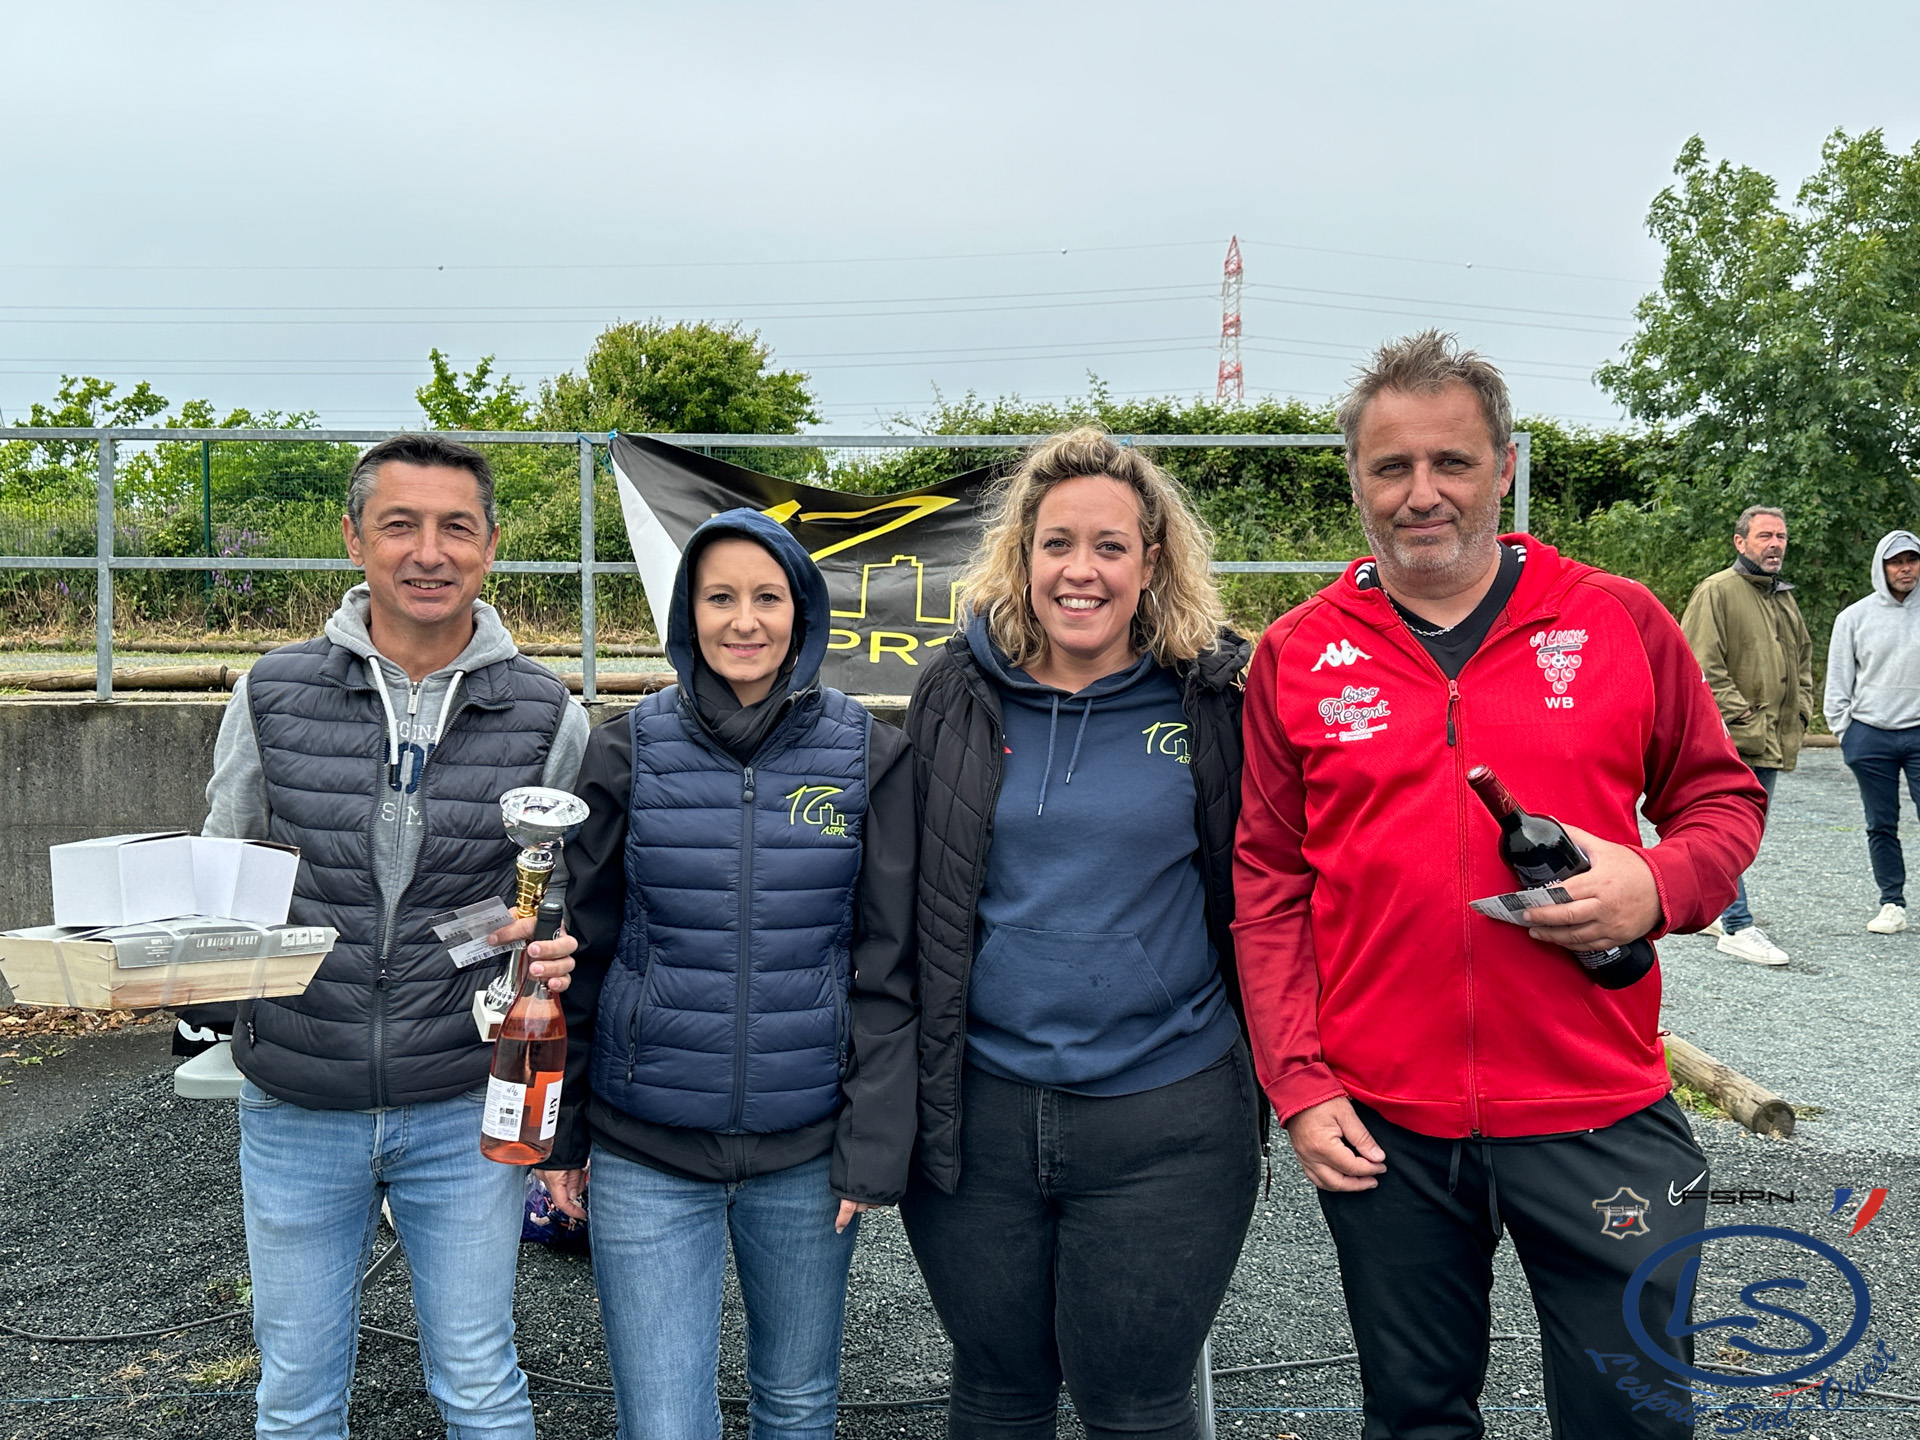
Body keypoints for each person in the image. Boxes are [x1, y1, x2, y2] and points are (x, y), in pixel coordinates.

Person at [1233, 331, 1768, 1440]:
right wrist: (1300, 1082)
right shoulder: (1297, 651)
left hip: (1598, 1109)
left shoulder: (1617, 619)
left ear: (1505, 467)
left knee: (1632, 1419)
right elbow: (1269, 884)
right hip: (1388, 1124)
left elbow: (1720, 799)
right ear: (1356, 479)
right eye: (1391, 466)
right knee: (1415, 1418)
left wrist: (1656, 886)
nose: (1421, 492)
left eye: (1453, 462)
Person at [203, 432, 590, 1439]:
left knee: (480, 1382)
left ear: (491, 545)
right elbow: (225, 870)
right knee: (295, 1398)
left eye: (456, 527)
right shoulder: (271, 690)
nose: (429, 552)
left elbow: (546, 905)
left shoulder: (548, 712)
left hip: (463, 1100)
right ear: (353, 538)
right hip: (298, 1099)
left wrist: (540, 942)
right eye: (399, 525)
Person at [902, 427, 1262, 1439]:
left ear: (1153, 559)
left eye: (1110, 546)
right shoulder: (954, 691)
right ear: (1023, 555)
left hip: (1169, 1118)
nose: (1081, 570)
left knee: (1137, 1406)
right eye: (1057, 543)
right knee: (996, 1397)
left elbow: (1270, 885)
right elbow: (906, 891)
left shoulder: (1215, 697)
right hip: (978, 1117)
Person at [538, 509, 917, 1440]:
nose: (744, 621)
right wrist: (563, 1134)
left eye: (767, 598)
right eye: (719, 598)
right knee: (664, 1420)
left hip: (806, 1153)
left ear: (804, 612)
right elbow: (580, 956)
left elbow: (888, 964)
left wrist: (871, 1144)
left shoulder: (869, 754)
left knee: (797, 1404)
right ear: (687, 614)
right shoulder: (625, 751)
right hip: (647, 1151)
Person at [1679, 505, 1813, 965]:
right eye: (1764, 536)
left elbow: (1802, 660)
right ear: (1740, 542)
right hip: (1735, 739)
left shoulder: (1782, 596)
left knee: (1749, 833)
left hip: (1770, 738)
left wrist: (1801, 712)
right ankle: (1737, 925)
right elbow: (1700, 665)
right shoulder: (1717, 591)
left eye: (1781, 537)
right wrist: (1746, 717)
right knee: (1732, 831)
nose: (1775, 545)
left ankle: (1717, 909)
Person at [1824, 528, 1920, 934]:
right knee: (1881, 823)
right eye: (1896, 562)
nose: (1905, 569)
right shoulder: (1855, 618)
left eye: (1912, 560)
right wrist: (1846, 733)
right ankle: (1891, 903)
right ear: (1882, 567)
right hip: (1870, 735)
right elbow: (1838, 681)